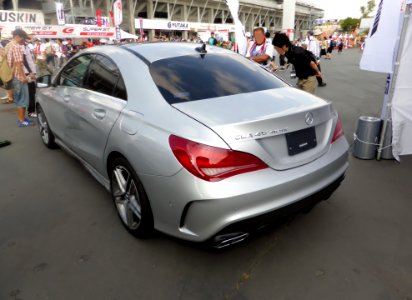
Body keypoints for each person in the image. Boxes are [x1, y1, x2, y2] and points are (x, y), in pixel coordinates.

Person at [6, 29, 31, 127]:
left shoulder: (9, 45)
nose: (23, 41)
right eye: (23, 38)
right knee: (22, 98)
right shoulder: (16, 46)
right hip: (18, 76)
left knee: (18, 97)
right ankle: (21, 120)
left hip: (11, 75)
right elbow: (18, 64)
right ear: (18, 36)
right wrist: (23, 77)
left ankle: (22, 119)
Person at [22, 33, 37, 118]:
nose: (32, 37)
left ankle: (30, 110)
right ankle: (31, 111)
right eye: (30, 35)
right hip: (27, 72)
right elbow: (23, 60)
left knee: (32, 91)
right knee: (31, 92)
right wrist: (30, 72)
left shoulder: (27, 45)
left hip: (30, 71)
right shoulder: (22, 46)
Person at [0, 39, 14, 104]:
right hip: (4, 70)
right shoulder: (5, 49)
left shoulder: (4, 50)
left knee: (8, 83)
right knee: (6, 83)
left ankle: (10, 98)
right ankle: (9, 96)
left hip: (6, 70)